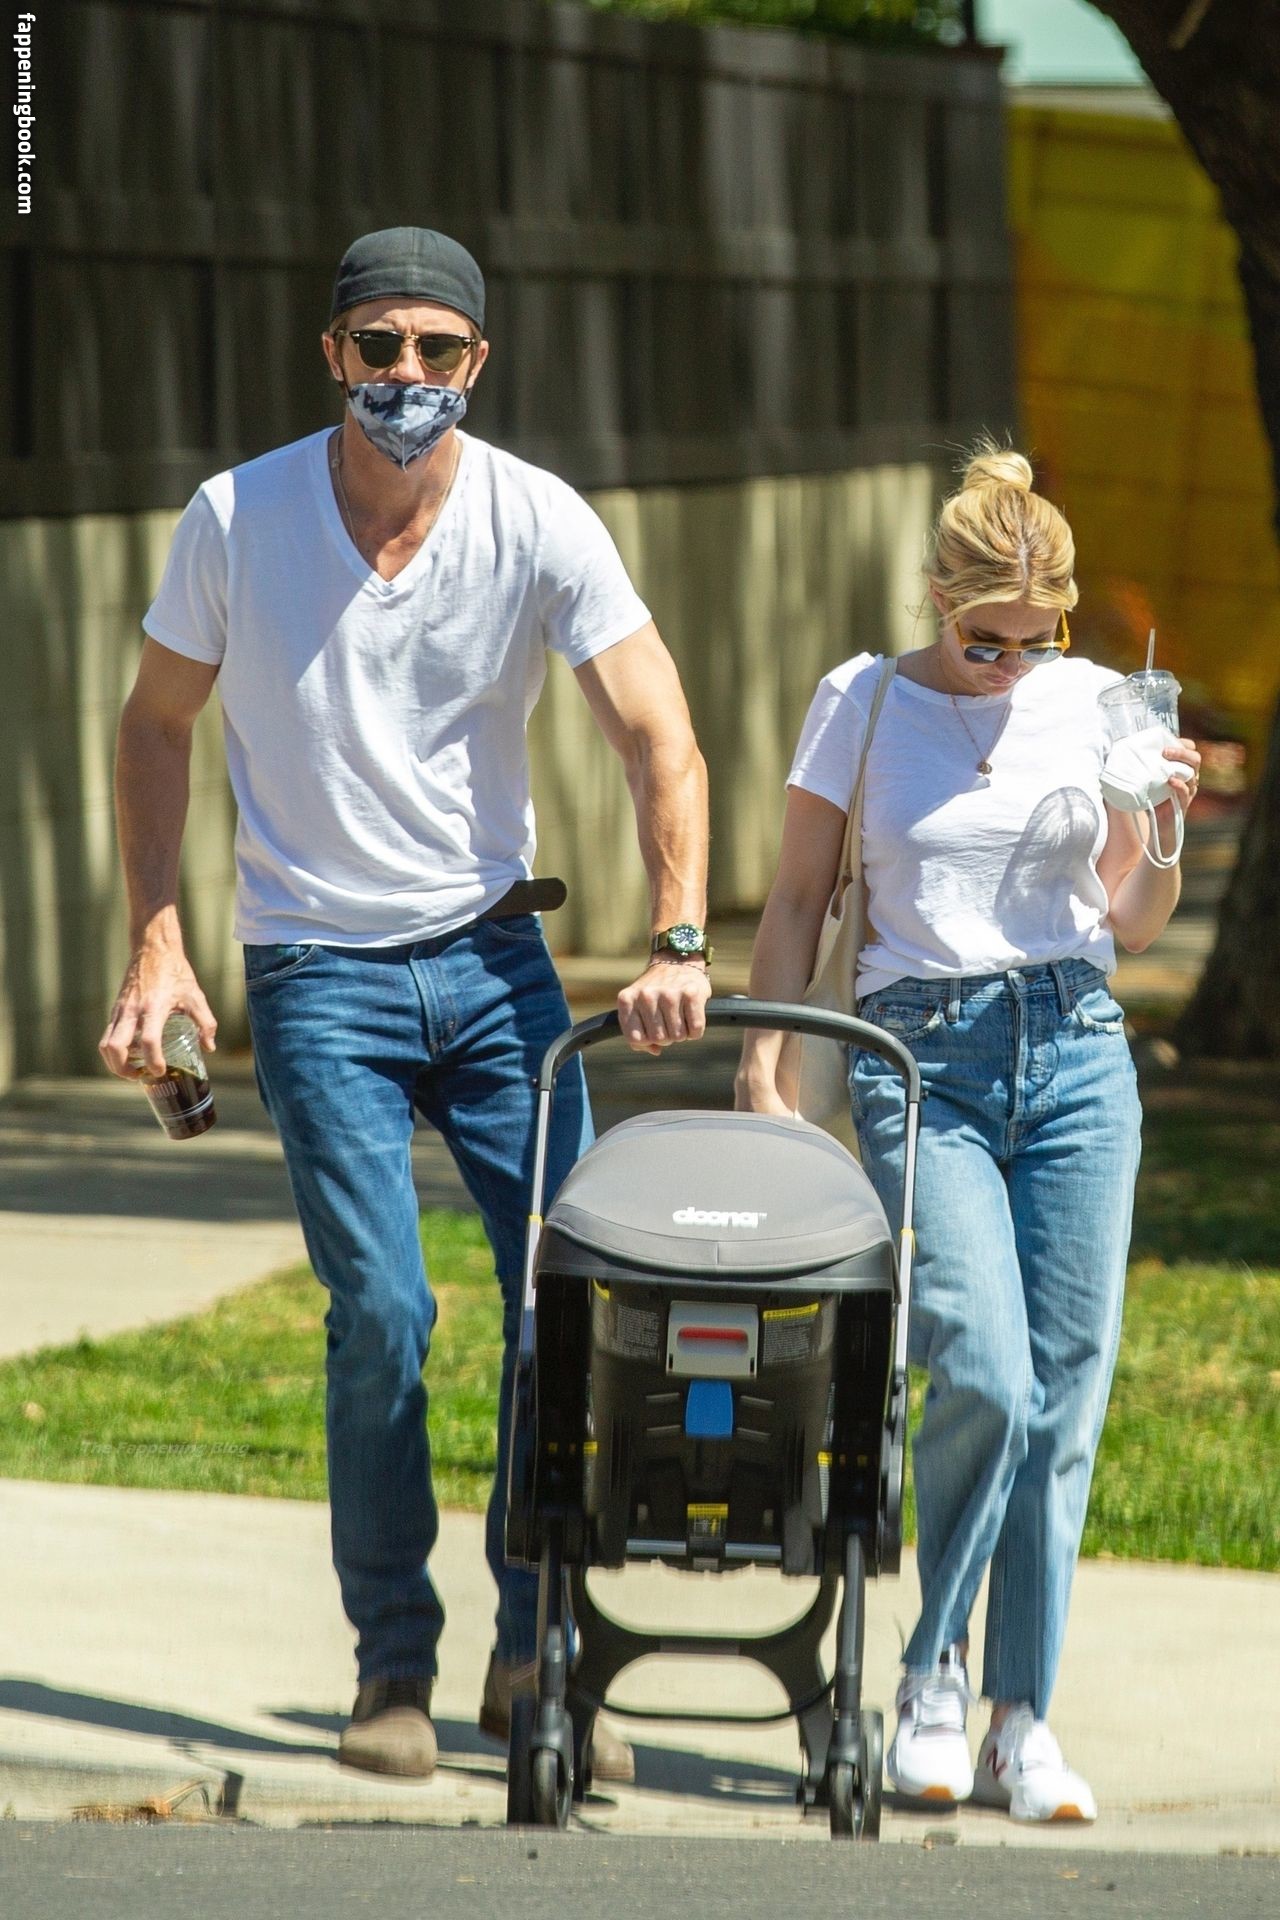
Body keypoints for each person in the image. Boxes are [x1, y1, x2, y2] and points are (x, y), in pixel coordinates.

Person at [99, 227, 713, 1783]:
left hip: (499, 967)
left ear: (478, 362)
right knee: (383, 1311)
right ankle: (392, 1665)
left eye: (438, 350)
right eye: (379, 346)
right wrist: (158, 945)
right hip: (319, 973)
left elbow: (660, 734)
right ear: (333, 356)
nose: (407, 375)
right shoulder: (238, 519)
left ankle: (536, 1653)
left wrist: (680, 938)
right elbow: (155, 726)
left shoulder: (536, 518)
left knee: (567, 1295)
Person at [736, 444, 1200, 1823]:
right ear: (937, 599)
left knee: (1065, 1397)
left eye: (1032, 641)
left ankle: (1020, 1719)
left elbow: (1131, 924)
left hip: (1078, 1052)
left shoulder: (1096, 703)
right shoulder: (864, 701)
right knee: (986, 1367)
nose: (1007, 666)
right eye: (983, 640)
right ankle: (930, 1675)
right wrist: (764, 1058)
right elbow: (799, 896)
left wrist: (1160, 823)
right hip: (919, 1060)